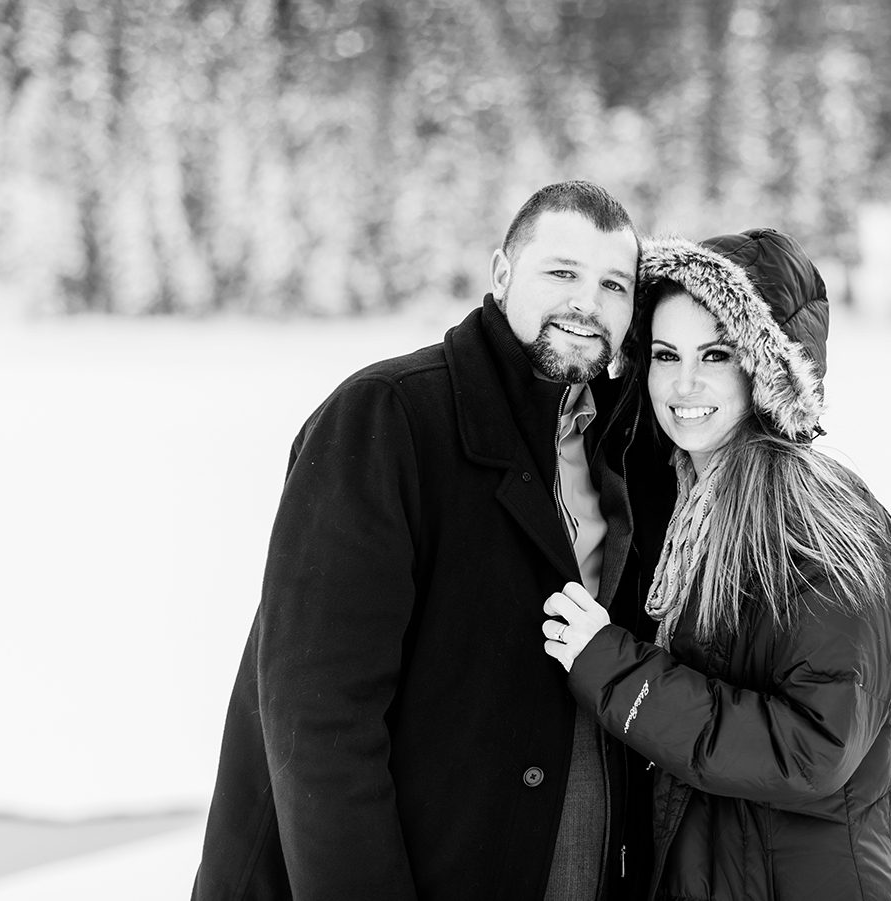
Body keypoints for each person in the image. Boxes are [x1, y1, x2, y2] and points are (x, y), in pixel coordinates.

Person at [192, 181, 674, 900]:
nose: (589, 302)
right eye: (562, 273)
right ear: (502, 273)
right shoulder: (387, 418)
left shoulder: (627, 449)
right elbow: (319, 718)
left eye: (614, 283)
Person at [540, 229, 891, 900]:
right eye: (665, 354)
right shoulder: (695, 495)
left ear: (766, 367)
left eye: (715, 354)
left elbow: (814, 747)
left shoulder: (812, 519)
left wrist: (613, 668)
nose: (683, 383)